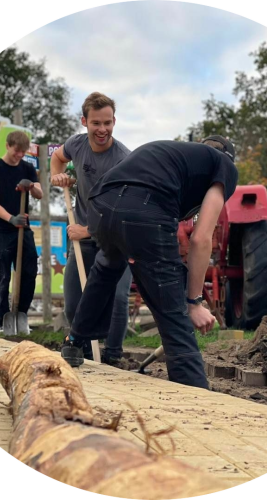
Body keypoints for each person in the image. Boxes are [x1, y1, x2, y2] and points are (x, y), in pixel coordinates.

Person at [67, 136, 238, 389]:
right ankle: (195, 392)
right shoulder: (224, 165)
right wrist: (193, 302)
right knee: (171, 307)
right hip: (144, 211)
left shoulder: (175, 154)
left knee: (106, 269)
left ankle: (73, 342)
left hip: (100, 204)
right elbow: (201, 239)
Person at [50, 92, 132, 365]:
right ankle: (82, 352)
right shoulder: (76, 144)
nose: (102, 130)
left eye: (107, 123)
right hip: (83, 238)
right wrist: (57, 175)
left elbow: (121, 213)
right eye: (96, 123)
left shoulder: (123, 160)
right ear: (84, 122)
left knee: (118, 298)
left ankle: (113, 356)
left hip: (116, 239)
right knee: (74, 302)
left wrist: (86, 230)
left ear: (114, 121)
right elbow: (58, 158)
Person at [0, 130, 43, 332]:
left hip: (23, 230)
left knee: (29, 272)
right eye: (17, 151)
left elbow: (40, 194)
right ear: (8, 146)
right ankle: (2, 321)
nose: (19, 155)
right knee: (2, 277)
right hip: (2, 230)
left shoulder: (27, 168)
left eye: (23, 152)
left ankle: (21, 316)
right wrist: (11, 218)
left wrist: (31, 185)